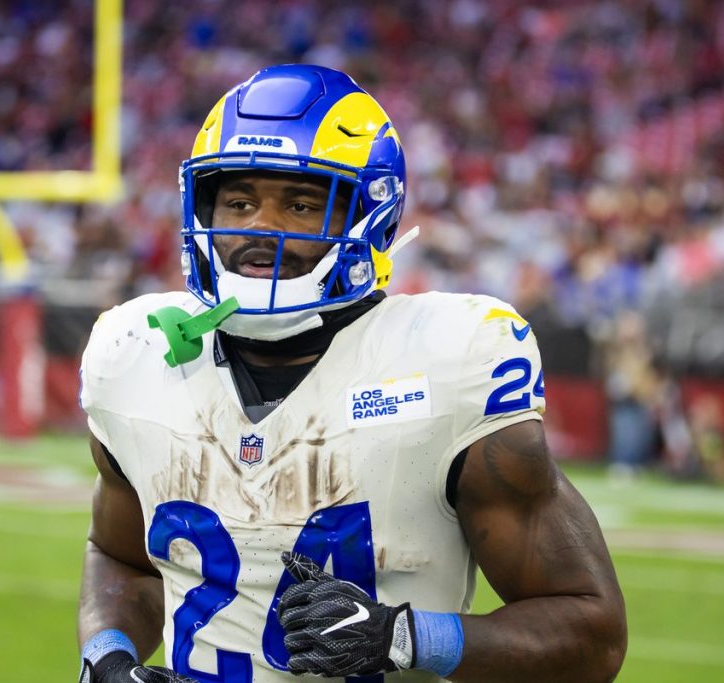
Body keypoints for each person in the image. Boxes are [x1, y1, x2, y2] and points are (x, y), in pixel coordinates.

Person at [77, 65, 626, 683]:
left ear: (371, 218)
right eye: (238, 201)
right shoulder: (135, 353)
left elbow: (591, 633)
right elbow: (119, 557)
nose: (260, 227)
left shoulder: (448, 361)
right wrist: (109, 657)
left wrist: (407, 637)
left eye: (303, 203)